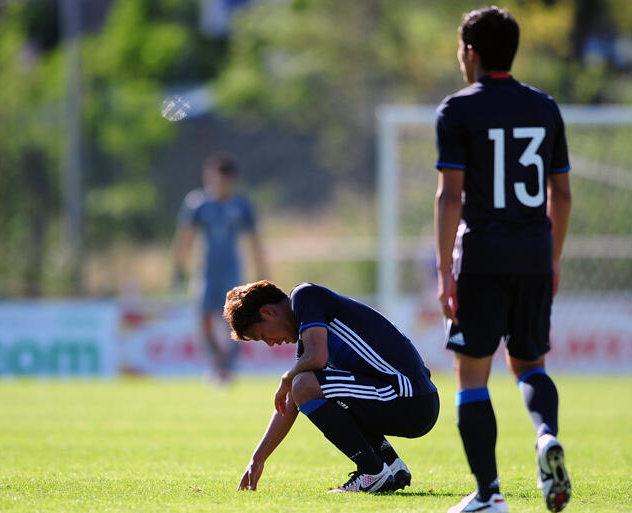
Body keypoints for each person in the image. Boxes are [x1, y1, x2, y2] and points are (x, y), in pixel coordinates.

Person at [434, 7, 573, 513]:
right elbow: (562, 194)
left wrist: (445, 270)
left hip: (484, 256)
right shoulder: (544, 107)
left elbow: (450, 198)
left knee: (472, 374)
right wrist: (552, 256)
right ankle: (545, 436)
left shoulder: (457, 110)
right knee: (530, 362)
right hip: (535, 252)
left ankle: (489, 494)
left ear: (470, 52)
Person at [223, 280, 439, 493]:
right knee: (309, 386)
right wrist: (258, 458)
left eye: (263, 336)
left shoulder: (304, 295)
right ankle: (390, 464)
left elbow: (315, 362)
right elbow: (291, 399)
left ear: (268, 312)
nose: (271, 343)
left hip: (408, 397)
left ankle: (372, 472)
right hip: (412, 399)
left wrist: (287, 378)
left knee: (304, 384)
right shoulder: (308, 332)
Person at [173, 153, 268, 385]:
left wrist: (261, 271)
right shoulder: (198, 203)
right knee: (204, 319)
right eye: (214, 178)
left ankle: (227, 368)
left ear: (231, 179)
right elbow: (185, 237)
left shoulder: (241, 205)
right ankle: (217, 362)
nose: (218, 183)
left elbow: (254, 240)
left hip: (233, 272)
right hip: (205, 271)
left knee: (234, 320)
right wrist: (178, 267)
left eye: (223, 178)